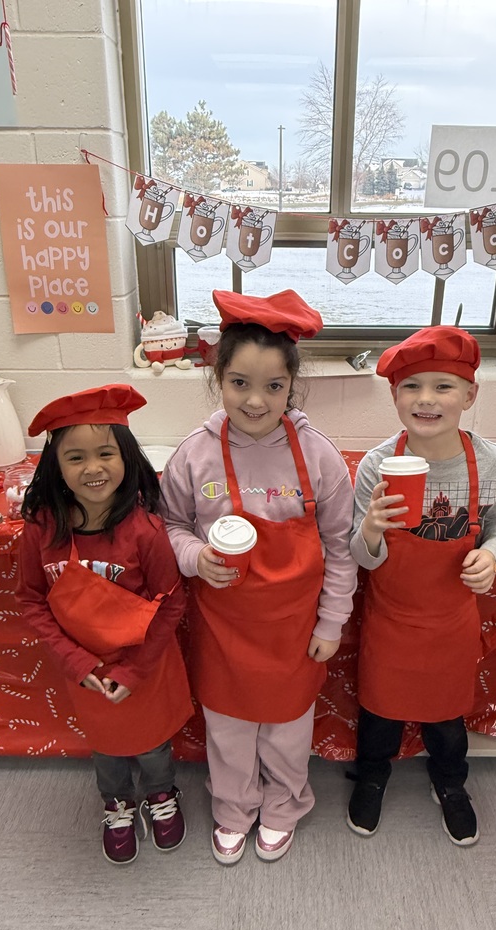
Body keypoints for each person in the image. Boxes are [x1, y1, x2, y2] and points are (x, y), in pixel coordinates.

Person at [160, 290, 357, 864]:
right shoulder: (193, 456)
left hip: (296, 629)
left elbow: (340, 547)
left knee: (288, 731)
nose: (255, 400)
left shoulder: (318, 456)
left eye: (274, 386)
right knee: (228, 730)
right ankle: (233, 809)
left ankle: (283, 806)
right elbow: (170, 527)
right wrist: (197, 558)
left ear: (291, 387)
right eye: (239, 382)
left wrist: (332, 621)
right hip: (224, 626)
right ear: (217, 377)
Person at [348, 326, 496, 846]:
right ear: (395, 396)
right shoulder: (378, 465)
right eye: (411, 386)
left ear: (470, 395)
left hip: (451, 621)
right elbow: (361, 558)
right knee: (378, 711)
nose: (426, 399)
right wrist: (372, 528)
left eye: (443, 386)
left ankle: (450, 783)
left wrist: (491, 553)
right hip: (391, 618)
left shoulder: (489, 462)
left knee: (447, 716)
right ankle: (372, 775)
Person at [15, 384, 193, 865]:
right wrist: (75, 660)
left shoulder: (146, 532)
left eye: (105, 453)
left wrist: (133, 671)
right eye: (75, 457)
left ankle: (160, 795)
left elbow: (171, 606)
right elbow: (32, 601)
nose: (92, 468)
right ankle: (116, 804)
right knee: (107, 750)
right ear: (55, 465)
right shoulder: (40, 530)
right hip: (86, 672)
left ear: (127, 457)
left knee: (154, 746)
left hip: (145, 667)